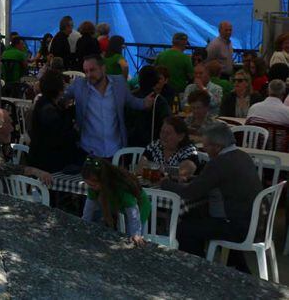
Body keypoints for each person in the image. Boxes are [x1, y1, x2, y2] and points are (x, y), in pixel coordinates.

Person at [161, 123, 262, 271]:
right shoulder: (242, 156)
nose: (204, 149)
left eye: (206, 146)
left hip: (237, 226)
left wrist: (166, 183)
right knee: (196, 214)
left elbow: (190, 193)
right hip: (254, 222)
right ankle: (239, 267)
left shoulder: (220, 162)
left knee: (183, 228)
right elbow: (208, 182)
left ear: (217, 146)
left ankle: (198, 270)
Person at [64, 55, 153, 158]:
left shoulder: (119, 82)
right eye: (86, 71)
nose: (88, 75)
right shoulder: (80, 85)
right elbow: (60, 95)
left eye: (92, 70)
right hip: (89, 149)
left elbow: (131, 101)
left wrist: (144, 103)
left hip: (115, 149)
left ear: (103, 68)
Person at [0, 109, 53, 183]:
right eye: (10, 124)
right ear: (0, 128)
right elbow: (3, 168)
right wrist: (33, 170)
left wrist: (6, 144)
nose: (12, 128)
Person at [81, 157, 150, 246]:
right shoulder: (94, 187)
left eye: (92, 185)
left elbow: (133, 214)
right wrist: (83, 224)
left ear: (103, 180)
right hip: (124, 206)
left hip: (140, 207)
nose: (90, 187)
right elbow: (89, 208)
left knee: (133, 238)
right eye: (88, 184)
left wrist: (136, 234)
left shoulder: (121, 188)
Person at [25, 70, 80, 172]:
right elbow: (60, 137)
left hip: (40, 159)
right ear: (60, 89)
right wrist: (76, 131)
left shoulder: (43, 103)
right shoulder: (48, 110)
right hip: (50, 165)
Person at [139, 116, 199, 180]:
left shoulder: (189, 150)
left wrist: (154, 167)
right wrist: (168, 171)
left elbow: (182, 171)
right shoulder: (154, 145)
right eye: (162, 132)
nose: (163, 136)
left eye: (168, 133)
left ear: (180, 136)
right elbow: (140, 167)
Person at [127, 66, 170, 147]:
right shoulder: (159, 101)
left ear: (139, 79)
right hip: (151, 147)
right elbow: (167, 123)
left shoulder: (129, 97)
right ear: (156, 81)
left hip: (128, 146)